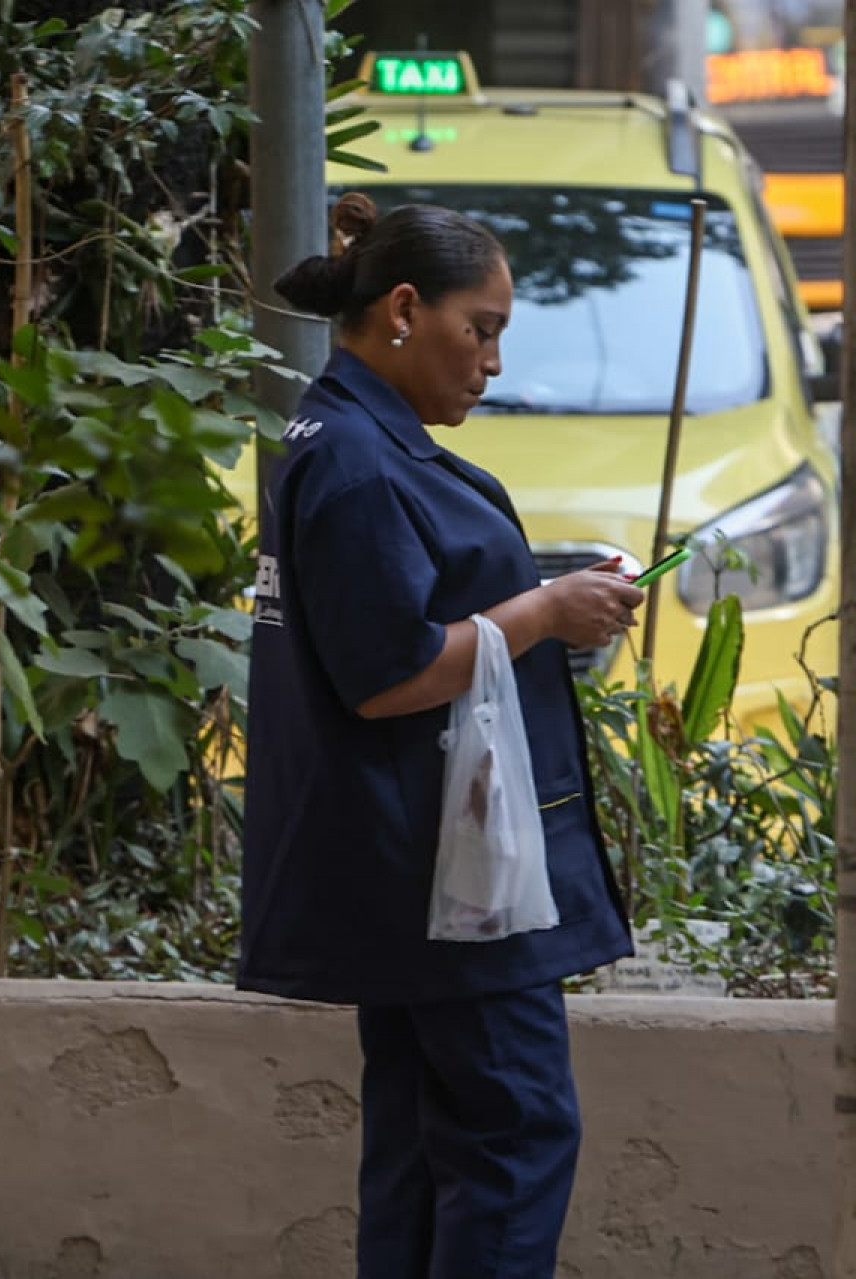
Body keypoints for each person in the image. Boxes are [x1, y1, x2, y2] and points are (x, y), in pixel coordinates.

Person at [239, 192, 644, 1277]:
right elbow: (389, 676)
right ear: (405, 309)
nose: (493, 363)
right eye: (485, 328)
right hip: (449, 875)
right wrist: (545, 612)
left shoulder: (343, 438)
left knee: (425, 1144)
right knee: (513, 1133)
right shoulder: (359, 463)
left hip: (414, 860)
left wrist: (546, 604)